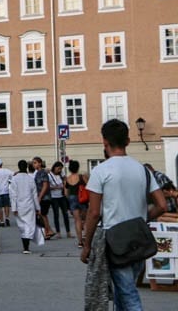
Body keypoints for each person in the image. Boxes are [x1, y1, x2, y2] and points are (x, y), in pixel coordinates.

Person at [81, 119, 167, 311]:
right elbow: (162, 205)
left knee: (127, 294)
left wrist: (87, 245)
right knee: (123, 292)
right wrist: (142, 218)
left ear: (104, 142)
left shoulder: (101, 171)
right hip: (139, 238)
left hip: (115, 241)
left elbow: (94, 213)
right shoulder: (143, 170)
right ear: (128, 141)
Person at [9, 160, 40, 254]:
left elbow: (12, 194)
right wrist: (38, 207)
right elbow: (35, 195)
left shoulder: (14, 179)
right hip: (29, 205)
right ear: (26, 167)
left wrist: (13, 207)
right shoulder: (30, 179)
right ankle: (26, 246)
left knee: (22, 226)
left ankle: (25, 246)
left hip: (19, 206)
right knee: (29, 225)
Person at [65, 160, 88, 248]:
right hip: (82, 198)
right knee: (85, 220)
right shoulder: (82, 177)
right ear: (78, 168)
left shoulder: (67, 179)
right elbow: (89, 186)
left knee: (77, 220)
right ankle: (86, 236)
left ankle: (80, 242)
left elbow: (66, 192)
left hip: (72, 198)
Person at [32, 157, 55, 239]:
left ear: (40, 163)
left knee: (42, 214)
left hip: (45, 197)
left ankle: (48, 231)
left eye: (35, 163)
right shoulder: (38, 173)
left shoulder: (42, 173)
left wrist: (40, 197)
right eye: (33, 163)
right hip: (41, 196)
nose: (33, 164)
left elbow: (45, 186)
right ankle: (48, 231)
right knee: (41, 214)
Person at [48, 161, 71, 238]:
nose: (60, 170)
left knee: (65, 214)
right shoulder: (49, 175)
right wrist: (56, 187)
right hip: (54, 197)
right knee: (56, 215)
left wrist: (65, 183)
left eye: (61, 169)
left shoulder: (61, 174)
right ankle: (58, 232)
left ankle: (68, 232)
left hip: (62, 196)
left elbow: (66, 181)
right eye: (58, 168)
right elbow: (47, 187)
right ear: (54, 167)